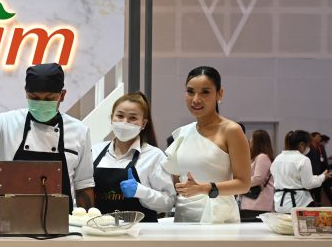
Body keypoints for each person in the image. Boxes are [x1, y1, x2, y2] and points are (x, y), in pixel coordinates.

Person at [0, 62, 95, 211]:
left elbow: (84, 185)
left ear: (62, 95)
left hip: (62, 219)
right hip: (8, 217)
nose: (41, 103)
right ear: (25, 93)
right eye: (34, 97)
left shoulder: (79, 131)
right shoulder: (5, 123)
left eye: (49, 99)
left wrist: (87, 220)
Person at [162, 66, 251, 223]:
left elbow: (243, 184)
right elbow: (178, 179)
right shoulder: (183, 132)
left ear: (219, 94)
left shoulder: (231, 130)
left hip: (218, 217)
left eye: (205, 92)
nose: (196, 99)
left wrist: (204, 188)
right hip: (184, 215)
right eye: (190, 91)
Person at [91, 92, 174, 222]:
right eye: (120, 116)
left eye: (132, 118)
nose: (125, 122)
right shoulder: (95, 151)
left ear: (144, 124)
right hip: (99, 229)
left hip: (140, 231)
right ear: (112, 118)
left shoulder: (154, 156)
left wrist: (141, 191)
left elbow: (168, 203)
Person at [271, 130, 330, 213]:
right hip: (299, 204)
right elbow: (308, 184)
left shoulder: (277, 158)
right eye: (308, 145)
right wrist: (322, 177)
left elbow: (293, 179)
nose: (308, 148)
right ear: (302, 145)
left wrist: (317, 177)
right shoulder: (303, 159)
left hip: (280, 204)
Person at [239, 129, 275, 220]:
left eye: (252, 139)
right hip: (251, 202)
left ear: (258, 142)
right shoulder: (256, 157)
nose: (250, 141)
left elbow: (258, 178)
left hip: (258, 203)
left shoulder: (262, 157)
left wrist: (241, 184)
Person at [307, 132, 329, 204]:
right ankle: (314, 203)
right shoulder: (308, 147)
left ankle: (318, 203)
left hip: (322, 171)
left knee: (325, 189)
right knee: (314, 189)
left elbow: (324, 158)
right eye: (318, 136)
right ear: (312, 137)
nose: (320, 138)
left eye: (320, 137)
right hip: (312, 172)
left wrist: (327, 169)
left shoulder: (321, 147)